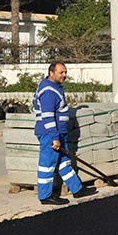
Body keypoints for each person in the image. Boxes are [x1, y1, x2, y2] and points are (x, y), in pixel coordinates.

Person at [33, 62, 97, 205]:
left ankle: (77, 189)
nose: (64, 75)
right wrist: (55, 138)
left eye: (65, 72)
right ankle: (45, 196)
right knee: (47, 164)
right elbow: (48, 116)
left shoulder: (55, 87)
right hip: (50, 134)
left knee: (64, 162)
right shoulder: (48, 91)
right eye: (61, 72)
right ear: (51, 72)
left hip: (58, 133)